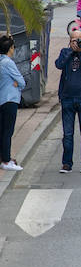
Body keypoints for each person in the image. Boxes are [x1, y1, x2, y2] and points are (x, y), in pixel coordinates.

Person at [55, 28, 81, 173]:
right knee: (67, 134)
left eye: (79, 40)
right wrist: (71, 52)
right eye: (74, 40)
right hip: (67, 98)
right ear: (69, 41)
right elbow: (59, 64)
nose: (77, 43)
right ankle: (66, 163)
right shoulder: (65, 52)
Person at [0, 34, 25, 170]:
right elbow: (21, 81)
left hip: (2, 99)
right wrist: (17, 83)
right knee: (8, 131)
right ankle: (6, 160)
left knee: (3, 130)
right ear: (10, 48)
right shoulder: (8, 63)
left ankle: (3, 158)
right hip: (10, 100)